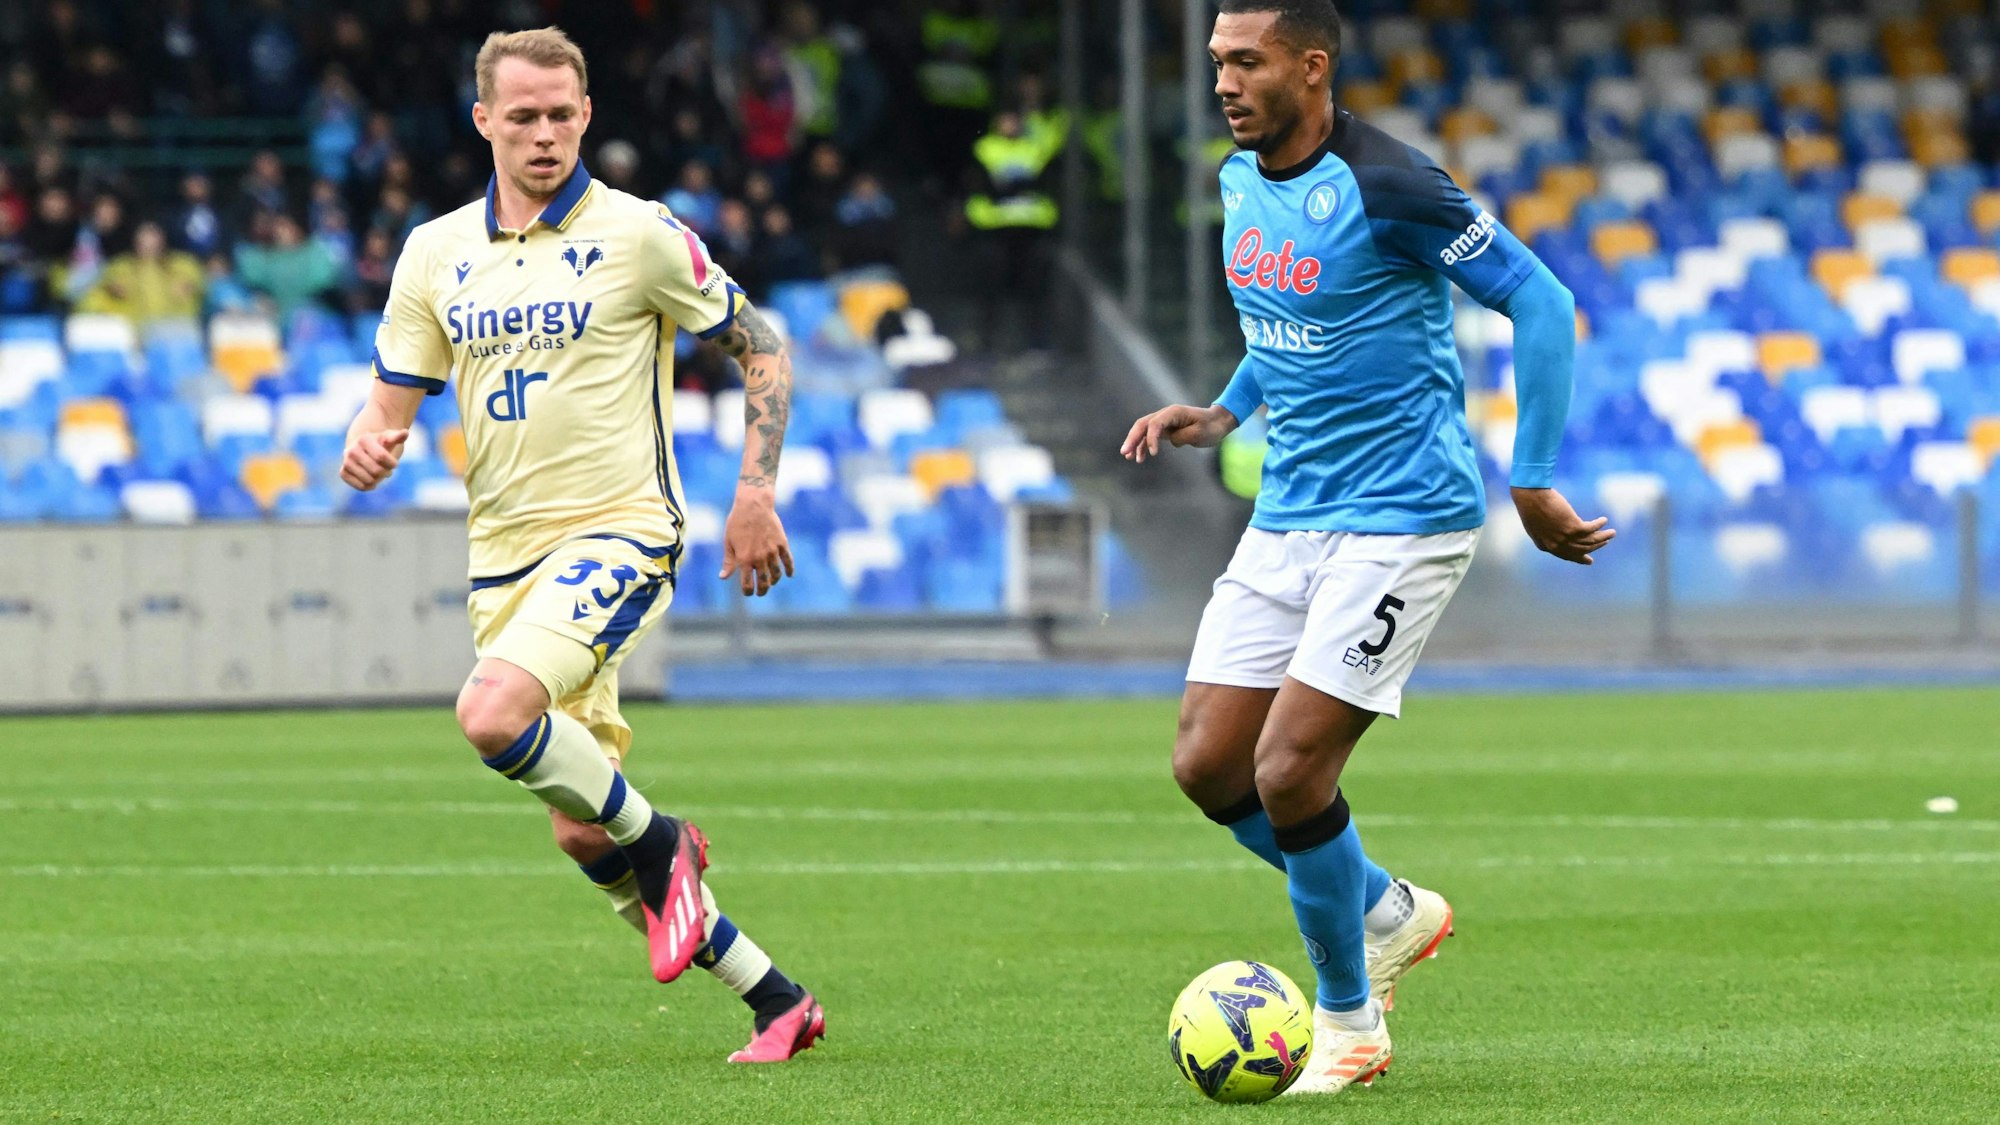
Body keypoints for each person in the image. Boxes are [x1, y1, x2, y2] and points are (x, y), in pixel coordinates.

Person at [1121, 0, 1614, 1096]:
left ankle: (1347, 1024)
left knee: (1290, 769)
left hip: (1401, 518)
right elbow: (1283, 322)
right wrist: (1222, 408)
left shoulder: (1391, 185)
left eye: (1245, 62)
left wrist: (1528, 477)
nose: (1223, 84)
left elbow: (1540, 304)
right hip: (1289, 513)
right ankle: (1387, 910)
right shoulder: (1235, 181)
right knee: (1206, 765)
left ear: (1310, 64)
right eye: (1214, 63)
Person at [337, 26, 824, 1065]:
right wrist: (370, 442)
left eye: (562, 115)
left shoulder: (640, 234)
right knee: (578, 828)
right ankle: (776, 1000)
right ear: (484, 122)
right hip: (501, 561)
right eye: (523, 117)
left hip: (619, 532)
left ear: (586, 116)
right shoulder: (434, 253)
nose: (545, 134)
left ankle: (667, 843)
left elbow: (762, 343)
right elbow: (388, 404)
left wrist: (753, 491)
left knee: (490, 712)